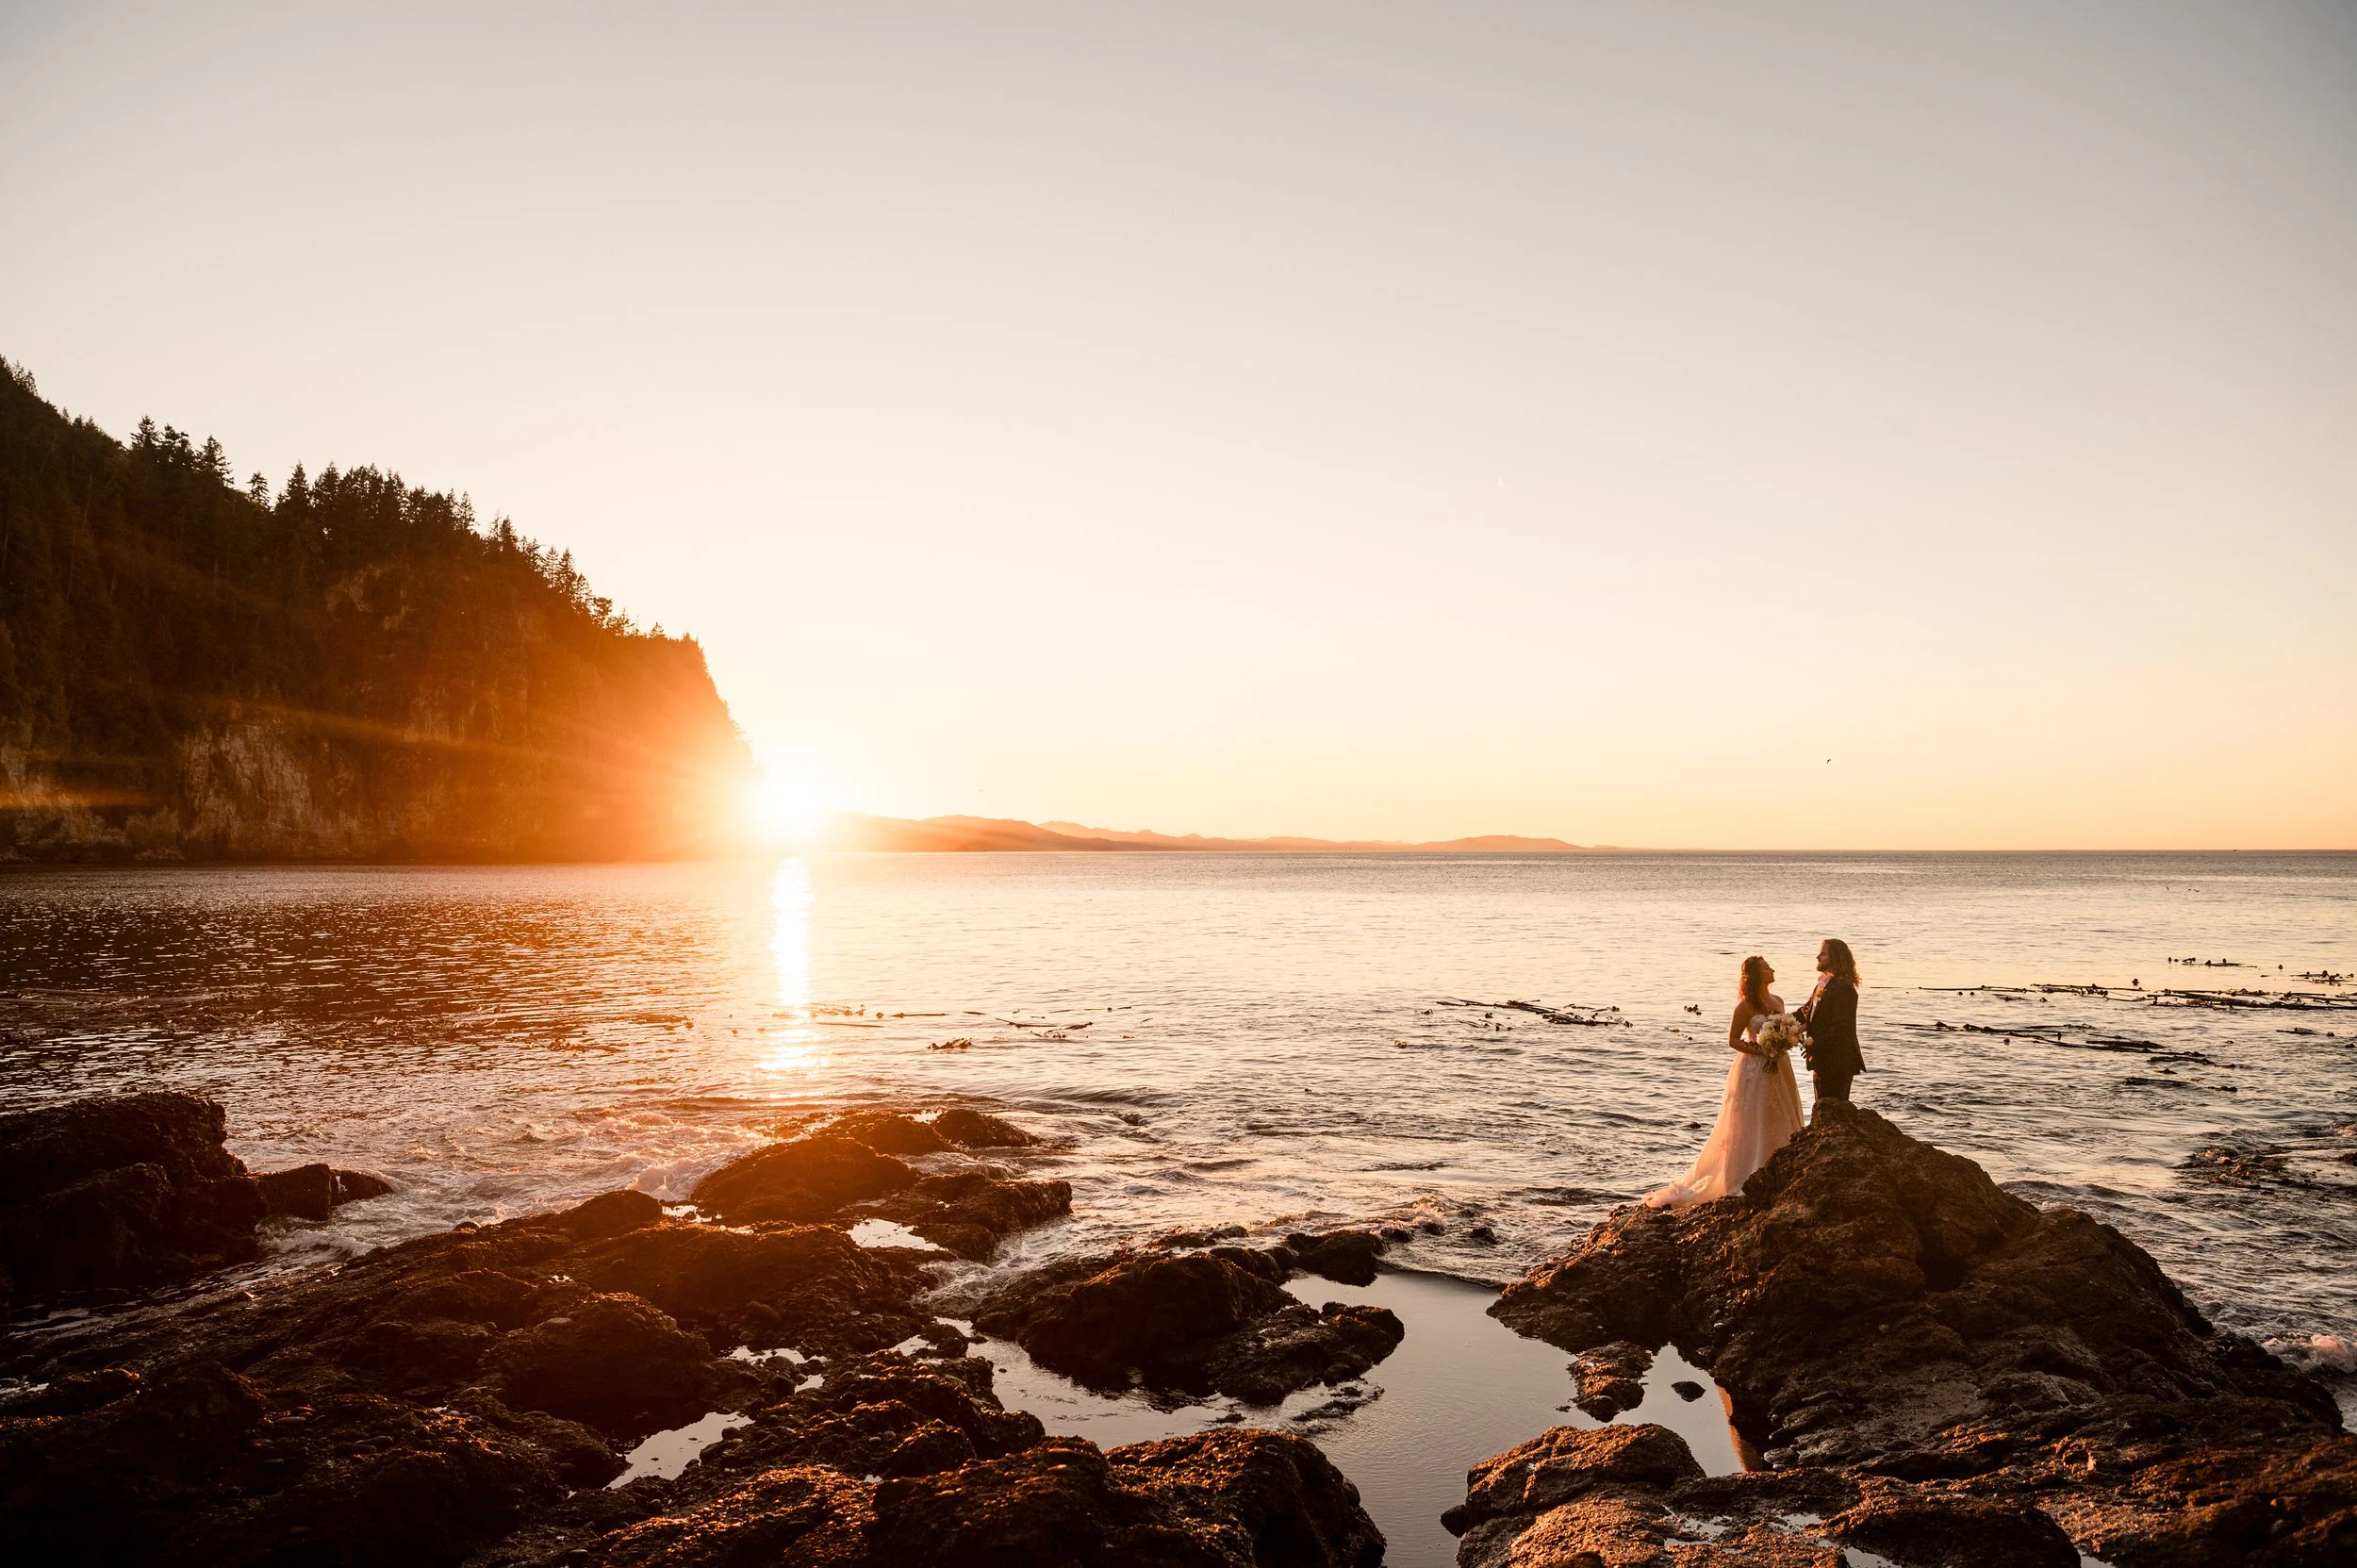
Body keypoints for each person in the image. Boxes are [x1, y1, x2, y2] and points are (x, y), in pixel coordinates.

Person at [1644, 955, 1805, 1208]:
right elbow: (1733, 1040)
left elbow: (1784, 1029)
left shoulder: (1779, 1001)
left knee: (1778, 1113)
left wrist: (1784, 1041)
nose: (1772, 969)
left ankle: (1779, 1163)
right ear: (1756, 975)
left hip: (1779, 1066)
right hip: (1754, 1067)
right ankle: (1745, 1172)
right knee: (1752, 1116)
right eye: (1765, 967)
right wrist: (1760, 1049)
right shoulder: (1744, 1007)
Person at [1796, 938, 1865, 1118]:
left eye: (1823, 953)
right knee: (1823, 1110)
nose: (1818, 956)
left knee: (1834, 1113)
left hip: (1837, 1061)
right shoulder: (1823, 984)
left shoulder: (1844, 987)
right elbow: (1805, 1013)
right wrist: (1776, 1022)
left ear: (1835, 957)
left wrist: (1814, 1045)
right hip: (1822, 1058)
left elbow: (1840, 1028)